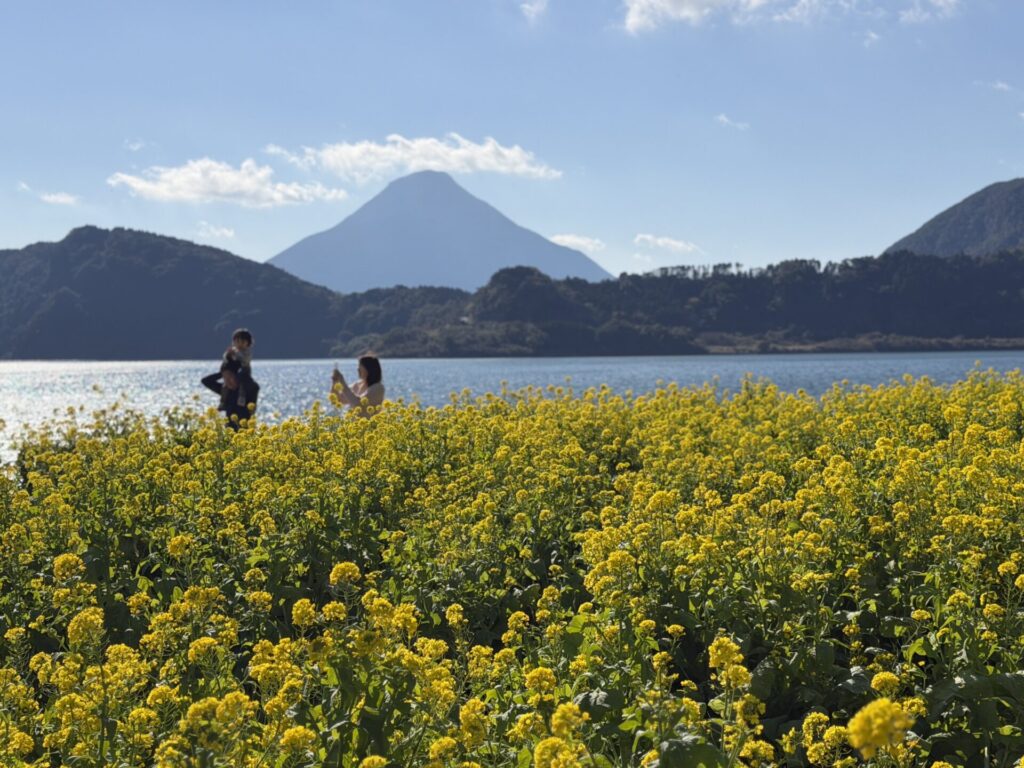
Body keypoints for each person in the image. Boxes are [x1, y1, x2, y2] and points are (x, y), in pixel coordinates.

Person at [202, 357, 259, 429]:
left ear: (237, 377)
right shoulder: (225, 390)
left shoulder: (248, 390)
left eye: (229, 378)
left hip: (245, 430)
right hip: (229, 431)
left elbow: (255, 386)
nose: (227, 381)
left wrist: (240, 374)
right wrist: (222, 372)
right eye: (225, 378)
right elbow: (205, 381)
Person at [223, 328, 255, 407]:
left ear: (248, 343)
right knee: (225, 385)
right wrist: (228, 355)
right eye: (237, 341)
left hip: (244, 370)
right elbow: (225, 358)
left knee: (242, 382)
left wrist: (236, 354)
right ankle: (223, 401)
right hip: (233, 371)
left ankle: (242, 397)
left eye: (242, 342)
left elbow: (244, 360)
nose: (239, 344)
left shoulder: (247, 352)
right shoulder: (233, 350)